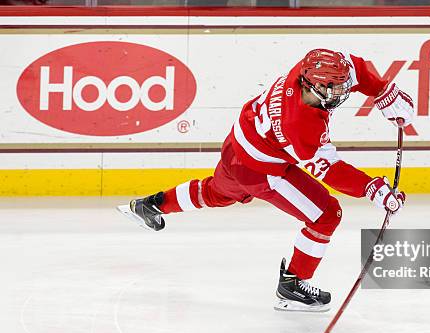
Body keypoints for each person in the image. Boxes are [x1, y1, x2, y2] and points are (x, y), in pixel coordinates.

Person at [119, 48, 414, 312]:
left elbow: (352, 66)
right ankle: (293, 284)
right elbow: (330, 169)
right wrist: (371, 188)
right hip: (260, 170)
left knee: (215, 192)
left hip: (237, 145)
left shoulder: (309, 67)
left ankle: (152, 205)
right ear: (318, 86)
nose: (343, 91)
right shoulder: (301, 127)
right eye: (336, 87)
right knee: (326, 215)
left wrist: (383, 92)